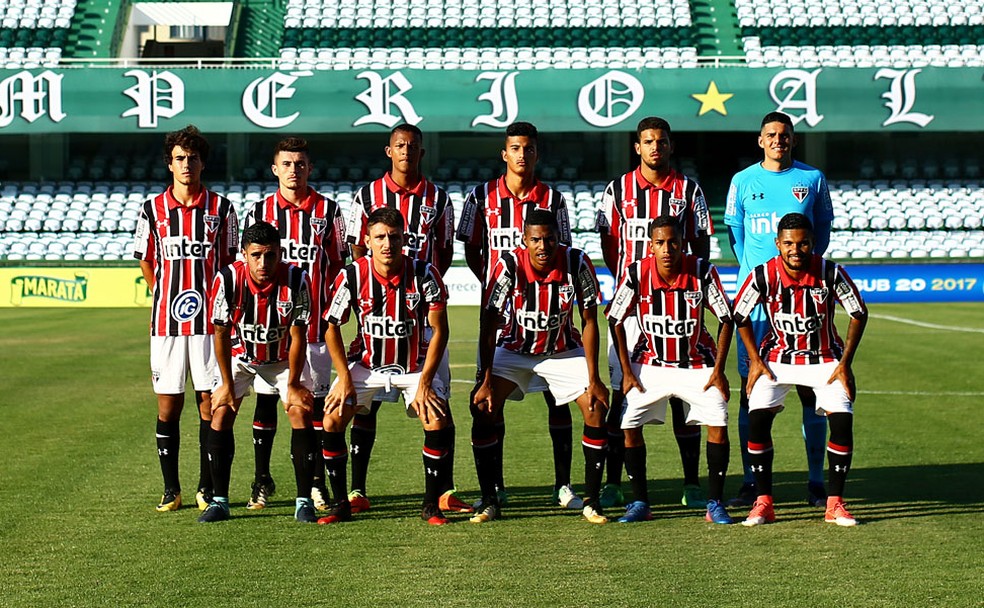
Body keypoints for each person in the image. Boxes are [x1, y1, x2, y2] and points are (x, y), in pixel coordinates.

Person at [342, 124, 470, 514]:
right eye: (400, 145)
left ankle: (443, 492)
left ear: (421, 152)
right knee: (366, 405)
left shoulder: (439, 199)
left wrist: (423, 290)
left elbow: (444, 252)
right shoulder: (366, 196)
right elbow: (353, 246)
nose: (406, 152)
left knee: (437, 404)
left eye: (413, 146)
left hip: (421, 313)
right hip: (377, 315)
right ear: (388, 150)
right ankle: (357, 489)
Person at [456, 121, 583, 511]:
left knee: (558, 401)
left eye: (528, 148)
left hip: (548, 315)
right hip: (500, 318)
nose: (522, 155)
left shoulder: (555, 200)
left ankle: (563, 485)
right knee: (489, 402)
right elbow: (472, 249)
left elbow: (563, 249)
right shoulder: (480, 196)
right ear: (504, 153)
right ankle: (495, 488)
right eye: (515, 148)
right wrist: (496, 285)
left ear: (536, 154)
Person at [595, 116, 715, 510]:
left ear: (670, 145)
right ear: (637, 147)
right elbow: (609, 243)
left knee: (684, 395)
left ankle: (692, 483)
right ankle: (614, 481)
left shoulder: (689, 189)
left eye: (661, 141)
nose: (655, 148)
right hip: (632, 307)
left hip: (680, 304)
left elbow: (701, 243)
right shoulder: (618, 189)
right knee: (622, 392)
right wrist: (633, 282)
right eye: (648, 142)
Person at [724, 111, 835, 508]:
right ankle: (751, 483)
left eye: (784, 135)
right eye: (771, 135)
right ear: (760, 140)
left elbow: (820, 233)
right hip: (756, 304)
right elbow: (735, 236)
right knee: (750, 393)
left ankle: (817, 482)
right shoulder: (742, 181)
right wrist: (760, 275)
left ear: (793, 139)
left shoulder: (813, 179)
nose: (778, 140)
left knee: (811, 391)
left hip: (803, 300)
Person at [469, 210, 610, 524]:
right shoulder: (508, 265)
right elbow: (489, 322)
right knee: (482, 406)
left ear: (559, 238)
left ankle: (592, 500)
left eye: (549, 238)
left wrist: (595, 377)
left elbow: (589, 320)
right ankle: (490, 499)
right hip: (516, 349)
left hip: (562, 351)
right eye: (536, 239)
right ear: (524, 240)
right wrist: (486, 378)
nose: (543, 246)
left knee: (596, 405)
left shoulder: (577, 262)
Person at [317, 207, 455, 526]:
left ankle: (430, 505)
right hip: (367, 364)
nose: (386, 244)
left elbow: (440, 330)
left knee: (436, 418)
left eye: (393, 237)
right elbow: (331, 327)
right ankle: (341, 504)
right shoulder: (351, 275)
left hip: (414, 365)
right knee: (332, 419)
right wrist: (343, 379)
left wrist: (424, 382)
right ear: (367, 240)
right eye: (379, 237)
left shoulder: (425, 273)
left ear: (404, 239)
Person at [732, 213, 867, 527]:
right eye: (789, 243)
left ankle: (835, 504)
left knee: (843, 419)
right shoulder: (763, 274)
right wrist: (754, 359)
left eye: (803, 243)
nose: (796, 249)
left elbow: (858, 312)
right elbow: (739, 314)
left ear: (812, 243)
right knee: (757, 419)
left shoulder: (830, 272)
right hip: (776, 358)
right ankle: (763, 502)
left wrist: (845, 363)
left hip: (824, 359)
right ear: (778, 244)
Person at [133, 125, 238, 512]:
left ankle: (206, 486)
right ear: (169, 163)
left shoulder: (222, 209)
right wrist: (165, 294)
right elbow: (146, 260)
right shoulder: (152, 209)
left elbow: (229, 265)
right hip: (167, 326)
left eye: (192, 158)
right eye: (179, 158)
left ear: (202, 163)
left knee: (209, 405)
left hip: (211, 325)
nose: (186, 164)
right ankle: (170, 488)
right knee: (168, 407)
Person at [606, 217, 735, 524]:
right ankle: (640, 502)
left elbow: (726, 317)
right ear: (651, 245)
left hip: (698, 364)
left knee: (717, 418)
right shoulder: (637, 273)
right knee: (629, 423)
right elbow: (614, 318)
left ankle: (715, 502)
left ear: (682, 243)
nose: (667, 249)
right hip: (650, 363)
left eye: (673, 242)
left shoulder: (702, 271)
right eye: (660, 243)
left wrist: (718, 370)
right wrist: (626, 370)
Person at [242, 137, 347, 512]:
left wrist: (337, 308)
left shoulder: (330, 211)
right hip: (268, 332)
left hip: (316, 329)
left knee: (311, 408)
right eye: (286, 164)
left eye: (300, 163)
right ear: (275, 169)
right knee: (267, 404)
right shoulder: (259, 211)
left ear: (310, 168)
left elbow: (339, 267)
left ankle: (315, 482)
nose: (293, 170)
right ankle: (261, 480)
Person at [200, 221, 317, 523]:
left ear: (280, 253)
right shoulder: (227, 279)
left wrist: (292, 383)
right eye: (256, 255)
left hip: (281, 359)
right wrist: (226, 384)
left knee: (300, 410)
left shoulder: (297, 279)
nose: (264, 263)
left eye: (270, 255)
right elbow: (221, 334)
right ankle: (219, 501)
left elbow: (298, 334)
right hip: (241, 355)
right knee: (222, 410)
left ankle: (304, 501)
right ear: (244, 254)